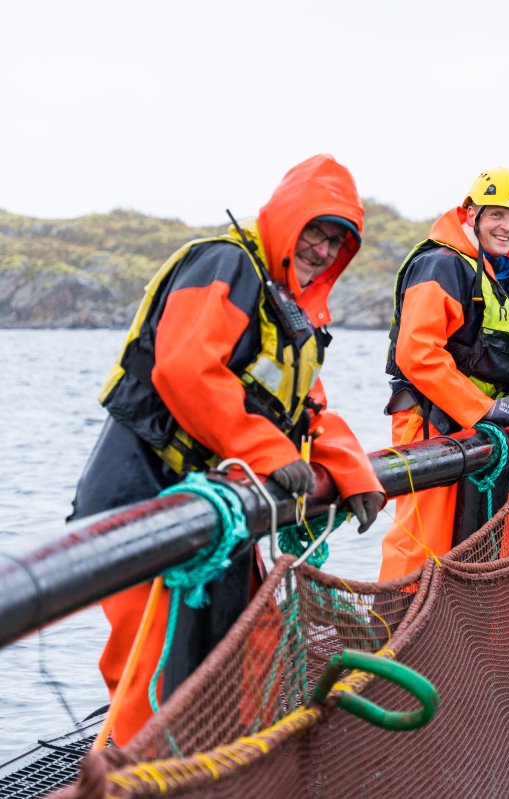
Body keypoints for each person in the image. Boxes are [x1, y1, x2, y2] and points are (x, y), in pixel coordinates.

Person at [69, 154, 386, 745]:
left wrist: (353, 470)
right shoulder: (225, 264)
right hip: (141, 494)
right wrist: (267, 451)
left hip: (218, 507)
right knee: (154, 664)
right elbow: (185, 369)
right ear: (288, 218)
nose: (321, 250)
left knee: (255, 638)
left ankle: (236, 764)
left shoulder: (293, 315)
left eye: (336, 242)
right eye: (315, 231)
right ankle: (150, 781)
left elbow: (308, 410)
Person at [380, 167, 509, 582]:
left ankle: (453, 636)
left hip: (477, 430)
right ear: (471, 212)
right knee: (423, 543)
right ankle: (391, 634)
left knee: (475, 545)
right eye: (497, 215)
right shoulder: (442, 264)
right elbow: (416, 353)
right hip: (432, 423)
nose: (507, 227)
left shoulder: (502, 276)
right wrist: (485, 408)